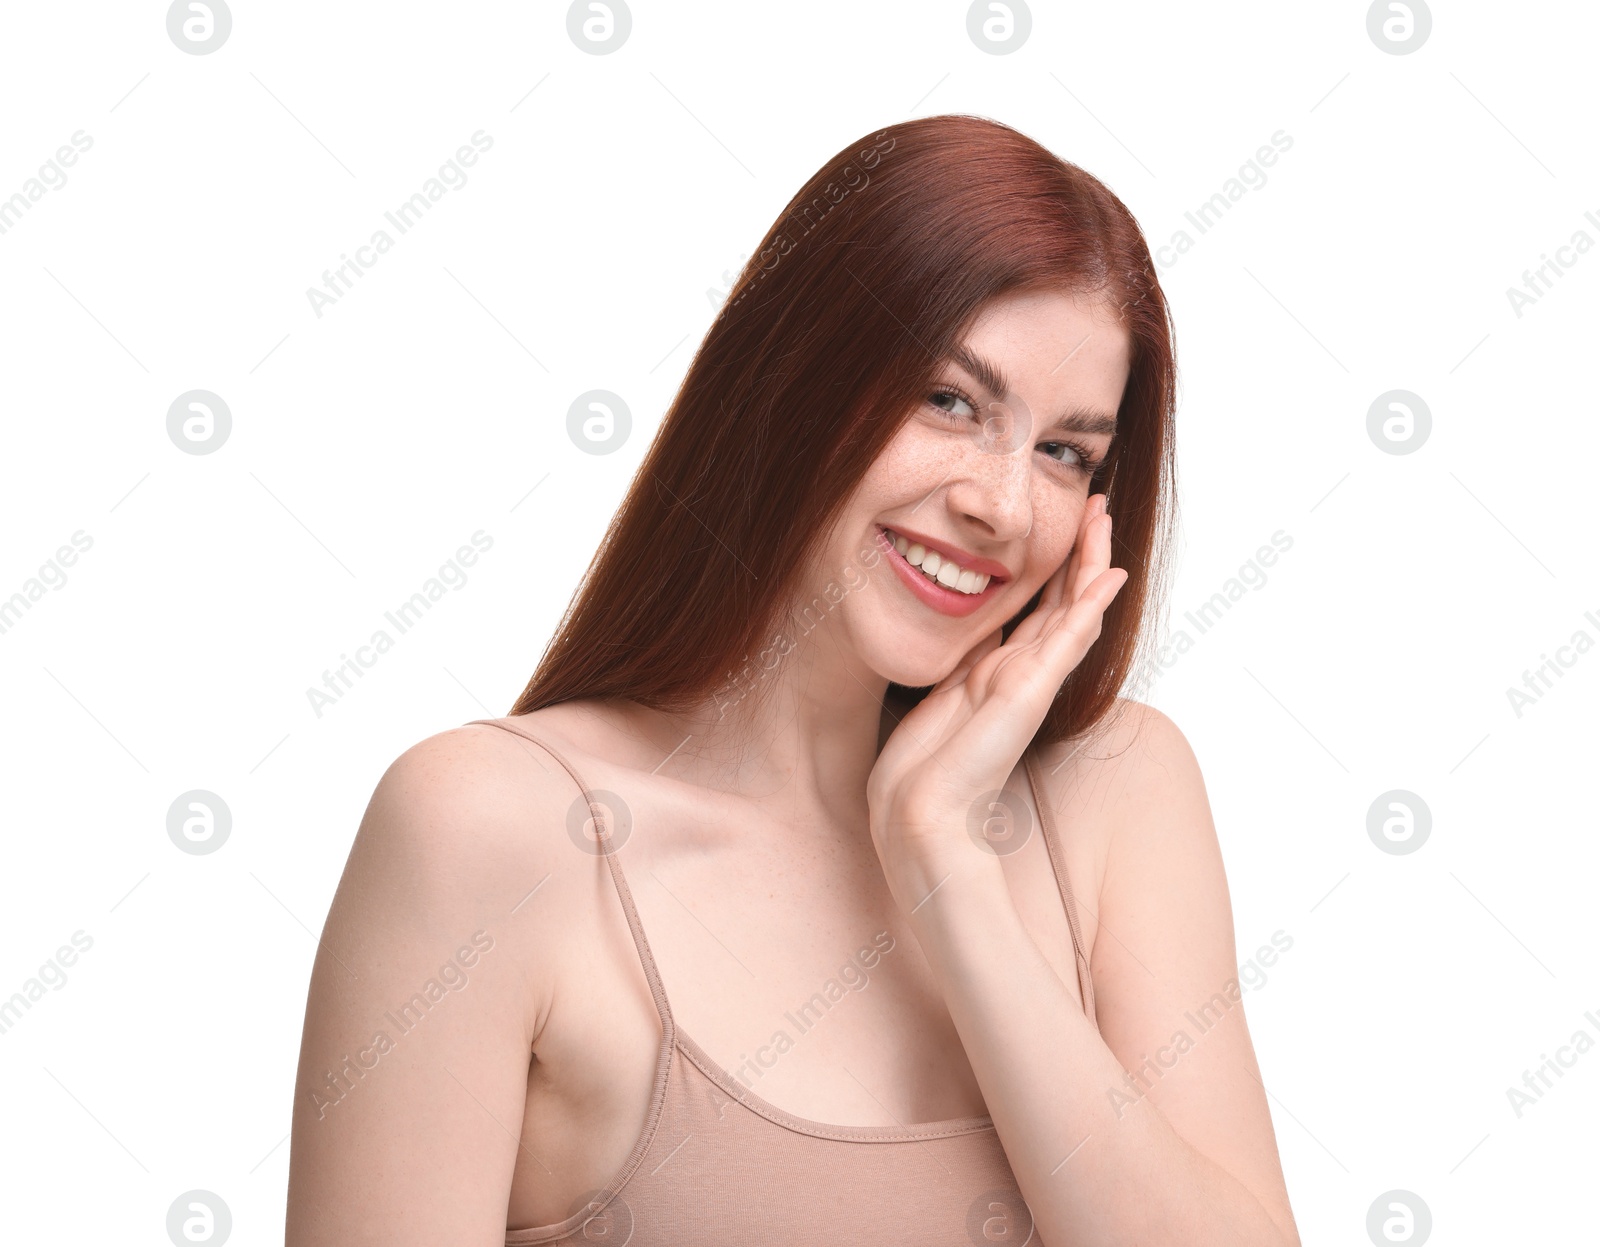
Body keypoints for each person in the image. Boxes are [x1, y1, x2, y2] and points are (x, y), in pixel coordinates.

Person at [285, 113, 1301, 1246]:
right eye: (950, 401)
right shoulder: (488, 828)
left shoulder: (1116, 794)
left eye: (1066, 451)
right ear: (789, 380)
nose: (1003, 505)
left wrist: (941, 859)